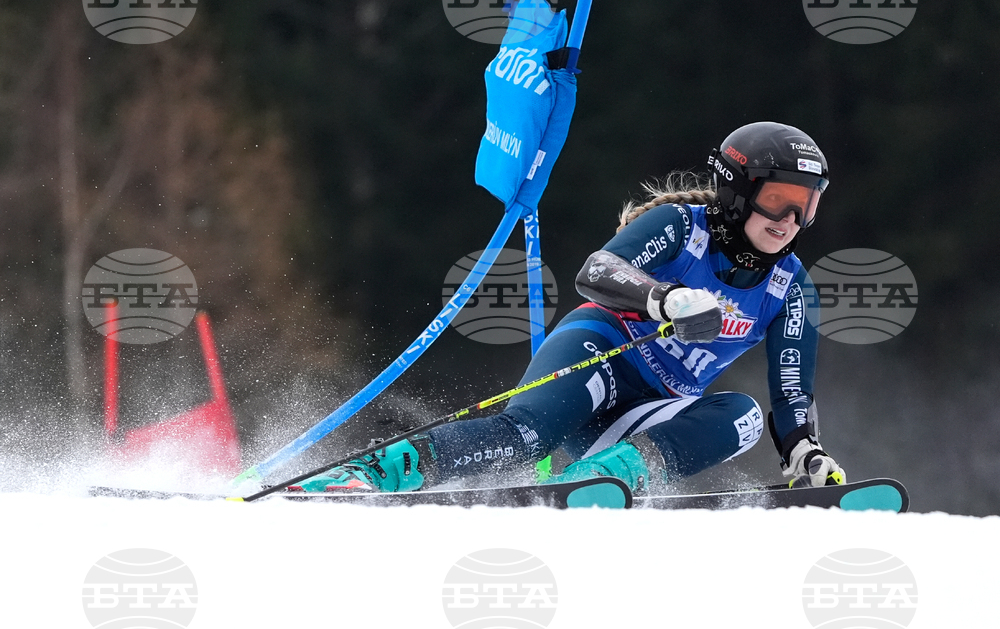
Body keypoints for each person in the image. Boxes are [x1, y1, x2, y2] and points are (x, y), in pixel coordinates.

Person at [295, 121, 845, 494]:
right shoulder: (681, 226)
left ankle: (604, 480)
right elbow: (597, 272)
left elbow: (791, 391)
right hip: (599, 353)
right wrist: (666, 298)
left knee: (745, 416)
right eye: (779, 199)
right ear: (739, 190)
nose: (789, 221)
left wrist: (803, 454)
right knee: (524, 437)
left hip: (650, 413)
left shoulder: (791, 289)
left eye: (807, 206)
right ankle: (374, 473)